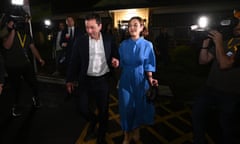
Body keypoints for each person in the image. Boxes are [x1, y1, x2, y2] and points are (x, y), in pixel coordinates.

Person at [66, 13, 119, 144]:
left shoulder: (108, 39)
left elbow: (115, 54)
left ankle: (101, 136)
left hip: (102, 81)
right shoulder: (80, 41)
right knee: (82, 108)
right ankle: (93, 120)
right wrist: (69, 80)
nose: (89, 31)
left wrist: (116, 60)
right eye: (87, 27)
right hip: (86, 80)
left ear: (100, 26)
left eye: (92, 27)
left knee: (104, 111)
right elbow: (74, 62)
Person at [192, 12, 240, 144]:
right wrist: (206, 42)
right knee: (197, 115)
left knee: (226, 128)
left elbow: (224, 64)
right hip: (210, 89)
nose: (236, 26)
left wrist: (218, 43)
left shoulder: (224, 43)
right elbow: (203, 60)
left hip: (230, 93)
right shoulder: (226, 41)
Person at [116, 16, 158, 144]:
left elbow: (149, 64)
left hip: (140, 79)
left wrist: (150, 79)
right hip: (126, 79)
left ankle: (136, 129)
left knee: (138, 107)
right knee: (126, 108)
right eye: (130, 25)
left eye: (135, 25)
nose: (132, 28)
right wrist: (116, 63)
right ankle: (126, 134)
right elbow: (120, 63)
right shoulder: (123, 45)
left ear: (141, 27)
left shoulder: (147, 45)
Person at [1, 15, 45, 116]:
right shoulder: (6, 33)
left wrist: (40, 59)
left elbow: (33, 48)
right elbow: (7, 46)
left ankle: (36, 98)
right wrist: (12, 30)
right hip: (13, 66)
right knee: (16, 87)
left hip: (25, 64)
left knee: (33, 83)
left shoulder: (26, 35)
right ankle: (15, 106)